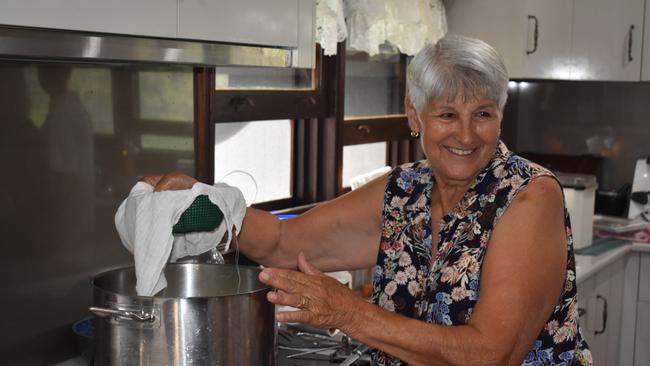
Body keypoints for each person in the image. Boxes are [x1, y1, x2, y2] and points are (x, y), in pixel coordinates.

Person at [142, 35, 592, 365]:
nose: (466, 134)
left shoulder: (529, 196)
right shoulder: (405, 189)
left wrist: (348, 312)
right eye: (447, 115)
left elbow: (492, 354)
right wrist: (206, 206)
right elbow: (284, 240)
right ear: (414, 114)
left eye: (483, 115)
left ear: (500, 116)